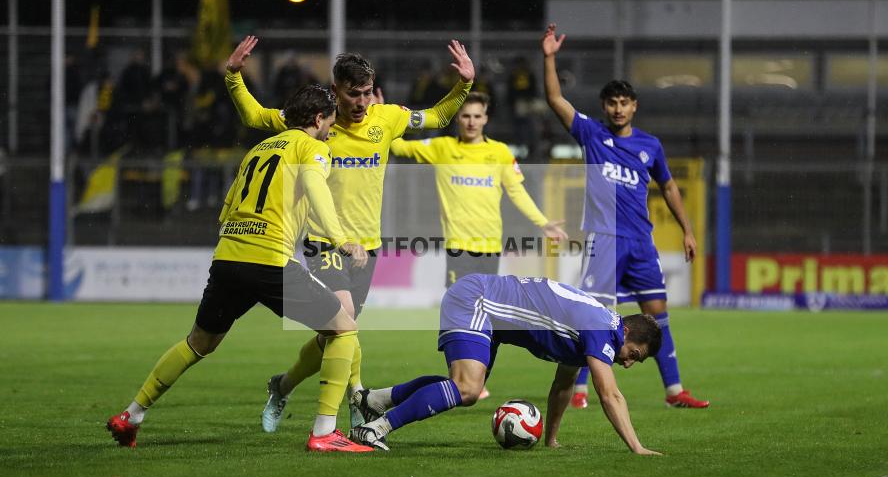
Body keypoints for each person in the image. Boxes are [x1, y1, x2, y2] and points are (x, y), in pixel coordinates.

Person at [223, 36, 475, 433]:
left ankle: (283, 384)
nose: (361, 102)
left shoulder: (387, 118)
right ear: (335, 91)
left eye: (366, 93)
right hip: (324, 243)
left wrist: (463, 85)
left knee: (335, 333)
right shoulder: (313, 122)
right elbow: (255, 117)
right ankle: (356, 402)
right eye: (352, 94)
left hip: (367, 247)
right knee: (346, 322)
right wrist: (235, 76)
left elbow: (438, 117)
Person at [106, 84, 376, 452]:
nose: (331, 129)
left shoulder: (259, 148)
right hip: (269, 259)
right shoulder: (313, 148)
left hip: (229, 256)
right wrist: (341, 238)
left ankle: (131, 415)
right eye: (330, 122)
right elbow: (316, 188)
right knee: (344, 328)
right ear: (318, 119)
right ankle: (325, 433)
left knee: (198, 343)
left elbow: (229, 203)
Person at [541, 23, 709, 410]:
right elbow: (555, 99)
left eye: (624, 102)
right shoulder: (591, 134)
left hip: (640, 241)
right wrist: (549, 57)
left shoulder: (650, 145)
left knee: (658, 315)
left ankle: (674, 391)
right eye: (612, 102)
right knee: (592, 314)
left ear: (634, 106)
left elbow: (668, 188)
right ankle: (579, 391)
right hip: (603, 238)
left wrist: (688, 230)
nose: (618, 108)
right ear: (605, 107)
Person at [348, 274, 663, 456]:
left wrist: (551, 439)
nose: (627, 363)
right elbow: (610, 395)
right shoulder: (600, 328)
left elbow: (564, 384)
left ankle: (373, 400)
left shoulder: (594, 330)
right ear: (625, 331)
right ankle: (374, 430)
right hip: (478, 300)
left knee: (467, 388)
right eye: (633, 354)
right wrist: (637, 447)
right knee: (466, 388)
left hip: (487, 310)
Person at [391, 92, 568, 400]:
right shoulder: (442, 148)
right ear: (458, 119)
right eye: (465, 116)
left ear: (486, 118)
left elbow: (517, 192)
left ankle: (478, 377)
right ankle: (459, 376)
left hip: (490, 248)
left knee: (490, 316)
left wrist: (542, 222)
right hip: (458, 248)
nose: (471, 122)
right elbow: (397, 145)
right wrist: (384, 117)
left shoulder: (499, 153)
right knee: (459, 312)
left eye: (477, 116)